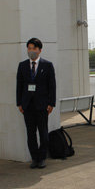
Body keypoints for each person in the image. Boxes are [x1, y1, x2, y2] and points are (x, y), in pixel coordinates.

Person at [16, 38, 56, 169]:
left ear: (40, 50)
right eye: (29, 48)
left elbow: (52, 86)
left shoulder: (47, 65)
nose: (31, 51)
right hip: (27, 105)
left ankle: (42, 157)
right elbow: (19, 85)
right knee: (30, 133)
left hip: (42, 105)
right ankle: (34, 158)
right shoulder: (22, 65)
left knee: (43, 133)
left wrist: (51, 103)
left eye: (34, 48)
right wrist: (19, 103)